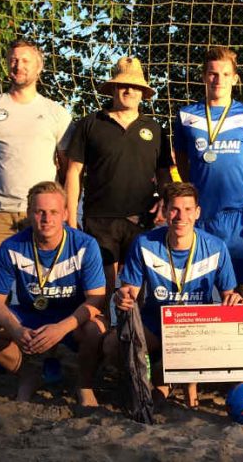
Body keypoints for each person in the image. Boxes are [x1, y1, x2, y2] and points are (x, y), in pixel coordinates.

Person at [0, 39, 73, 379]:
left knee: (48, 286)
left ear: (39, 67)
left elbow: (66, 164)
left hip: (41, 215)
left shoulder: (57, 113)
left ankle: (51, 354)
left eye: (26, 61)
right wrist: (2, 187)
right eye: (13, 60)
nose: (19, 66)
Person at [107, 182, 243, 407]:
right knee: (112, 345)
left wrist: (234, 299)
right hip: (155, 321)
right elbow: (128, 291)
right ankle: (145, 383)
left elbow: (230, 294)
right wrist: (121, 297)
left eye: (188, 209)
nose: (181, 216)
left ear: (197, 213)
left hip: (197, 326)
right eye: (175, 209)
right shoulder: (144, 244)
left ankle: (177, 386)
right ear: (165, 211)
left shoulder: (216, 247)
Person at [0, 181, 106, 406]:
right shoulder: (12, 246)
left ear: (65, 213)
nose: (47, 219)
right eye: (39, 212)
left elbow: (96, 298)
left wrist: (62, 327)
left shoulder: (85, 245)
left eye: (53, 212)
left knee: (97, 329)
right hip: (31, 315)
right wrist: (16, 329)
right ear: (28, 213)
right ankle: (28, 374)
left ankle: (85, 385)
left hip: (71, 317)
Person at [65, 57, 171, 311]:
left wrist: (165, 202)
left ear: (143, 93)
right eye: (123, 85)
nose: (129, 90)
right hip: (99, 221)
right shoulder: (90, 124)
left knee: (139, 294)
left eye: (135, 87)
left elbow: (165, 174)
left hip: (142, 222)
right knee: (100, 293)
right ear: (113, 88)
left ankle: (136, 345)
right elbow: (73, 172)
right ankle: (102, 345)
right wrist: (70, 217)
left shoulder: (155, 129)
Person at [173, 47, 243, 296]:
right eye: (212, 73)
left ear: (235, 78)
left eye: (224, 74)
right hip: (197, 214)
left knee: (236, 289)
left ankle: (237, 334)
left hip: (235, 215)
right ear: (203, 76)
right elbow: (180, 158)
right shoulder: (186, 115)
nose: (218, 79)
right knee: (192, 285)